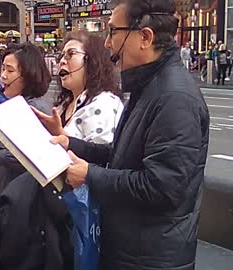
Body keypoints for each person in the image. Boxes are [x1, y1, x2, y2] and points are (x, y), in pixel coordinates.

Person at [50, 1, 209, 269]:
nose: (109, 44)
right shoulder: (149, 86)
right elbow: (123, 154)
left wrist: (90, 174)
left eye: (113, 32)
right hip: (132, 249)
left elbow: (162, 187)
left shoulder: (174, 97)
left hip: (149, 258)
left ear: (144, 37)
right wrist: (70, 143)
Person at [0, 42, 52, 196]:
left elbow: (31, 158)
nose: (3, 76)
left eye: (10, 70)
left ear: (28, 75)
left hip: (26, 198)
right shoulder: (16, 104)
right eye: (3, 68)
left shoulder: (35, 109)